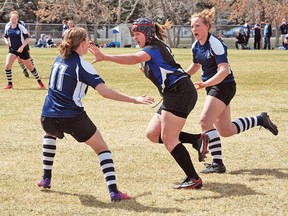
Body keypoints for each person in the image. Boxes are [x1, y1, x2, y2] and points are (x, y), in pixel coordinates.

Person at [89, 17, 209, 190]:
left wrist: (105, 56)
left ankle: (193, 178)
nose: (135, 38)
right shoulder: (152, 48)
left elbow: (133, 58)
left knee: (169, 138)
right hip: (174, 93)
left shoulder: (153, 48)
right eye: (134, 34)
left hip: (179, 92)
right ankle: (196, 139)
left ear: (147, 33)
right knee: (153, 134)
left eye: (138, 34)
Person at [37, 27, 154, 202]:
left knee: (49, 133)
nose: (90, 44)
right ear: (83, 43)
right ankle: (114, 192)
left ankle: (46, 178)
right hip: (72, 116)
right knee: (102, 148)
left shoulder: (58, 58)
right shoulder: (82, 65)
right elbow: (104, 91)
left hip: (47, 114)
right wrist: (133, 99)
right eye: (88, 40)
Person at [186, 8, 278, 174]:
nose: (194, 29)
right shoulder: (195, 46)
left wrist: (206, 84)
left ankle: (217, 163)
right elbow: (196, 65)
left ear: (207, 26)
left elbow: (224, 70)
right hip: (213, 86)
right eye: (192, 26)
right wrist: (182, 77)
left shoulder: (215, 43)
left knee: (205, 121)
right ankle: (260, 119)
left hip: (224, 85)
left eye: (198, 25)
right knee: (225, 130)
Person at [3, 11, 45, 89]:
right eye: (12, 19)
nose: (13, 20)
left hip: (22, 50)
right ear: (10, 19)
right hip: (12, 50)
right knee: (7, 66)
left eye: (15, 19)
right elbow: (5, 36)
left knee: (30, 68)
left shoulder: (21, 27)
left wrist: (22, 47)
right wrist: (6, 42)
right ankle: (10, 84)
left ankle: (40, 82)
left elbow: (27, 39)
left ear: (17, 19)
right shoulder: (8, 27)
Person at [5, 11, 31, 78]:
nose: (14, 19)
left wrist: (27, 34)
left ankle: (31, 68)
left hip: (23, 42)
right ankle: (24, 69)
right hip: (14, 44)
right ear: (10, 18)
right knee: (19, 58)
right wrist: (7, 41)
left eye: (15, 17)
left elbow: (25, 31)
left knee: (28, 55)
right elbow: (6, 35)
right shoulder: (8, 25)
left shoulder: (21, 23)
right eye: (12, 17)